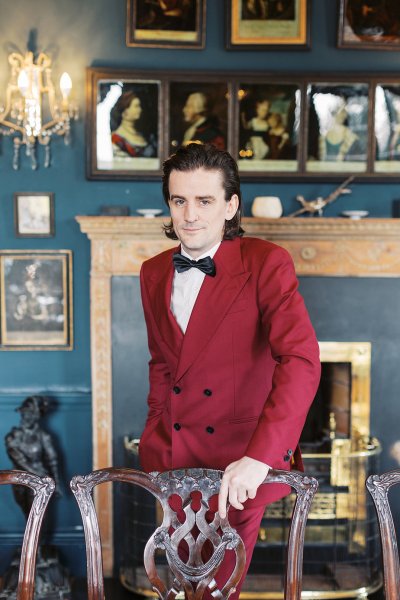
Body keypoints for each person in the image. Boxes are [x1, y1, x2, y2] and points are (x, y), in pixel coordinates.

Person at [139, 143, 321, 598]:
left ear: (231, 205)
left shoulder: (265, 263)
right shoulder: (153, 271)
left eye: (205, 201)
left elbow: (300, 360)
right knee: (181, 587)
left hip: (238, 465)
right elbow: (163, 363)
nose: (190, 215)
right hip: (173, 458)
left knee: (218, 590)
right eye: (179, 200)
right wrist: (154, 431)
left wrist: (260, 458)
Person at [5, 396, 62, 519]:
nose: (26, 416)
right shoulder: (13, 436)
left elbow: (53, 460)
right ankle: (32, 537)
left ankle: (39, 538)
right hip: (18, 480)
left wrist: (56, 483)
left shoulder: (43, 436)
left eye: (30, 413)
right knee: (27, 512)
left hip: (39, 481)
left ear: (37, 416)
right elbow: (17, 457)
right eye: (24, 413)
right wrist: (38, 473)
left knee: (37, 514)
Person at [110, 91, 156, 158]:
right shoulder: (116, 139)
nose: (140, 110)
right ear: (125, 111)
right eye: (136, 106)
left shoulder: (143, 135)